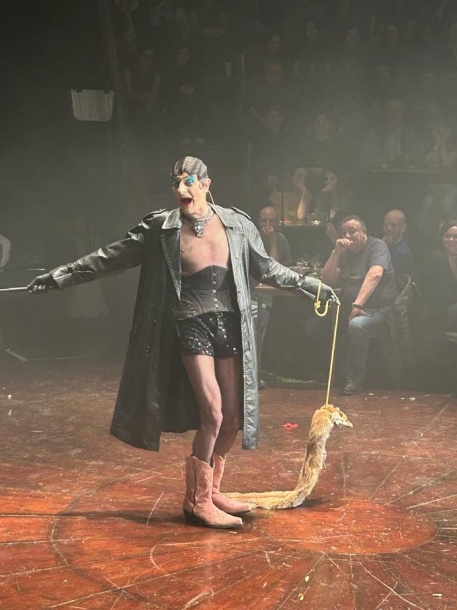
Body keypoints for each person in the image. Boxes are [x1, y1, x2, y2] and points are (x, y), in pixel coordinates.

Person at [28, 156, 337, 529]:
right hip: (191, 324)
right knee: (213, 413)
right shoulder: (161, 228)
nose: (180, 189)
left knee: (232, 418)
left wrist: (308, 284)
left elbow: (267, 268)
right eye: (175, 183)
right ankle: (196, 501)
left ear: (206, 184)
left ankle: (213, 489)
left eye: (188, 181)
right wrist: (60, 276)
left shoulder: (237, 224)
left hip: (230, 325)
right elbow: (110, 257)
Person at [312, 215, 396, 394]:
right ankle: (330, 374)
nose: (348, 236)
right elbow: (328, 280)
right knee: (314, 325)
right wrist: (336, 252)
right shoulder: (345, 251)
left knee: (357, 326)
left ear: (364, 232)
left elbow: (375, 275)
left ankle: (355, 379)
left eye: (352, 231)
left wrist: (358, 305)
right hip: (348, 307)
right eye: (344, 232)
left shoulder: (377, 246)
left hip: (377, 308)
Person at [382, 209, 414, 274]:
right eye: (386, 225)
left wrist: (381, 250)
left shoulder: (402, 253)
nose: (388, 228)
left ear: (403, 228)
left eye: (393, 225)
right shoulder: (386, 246)